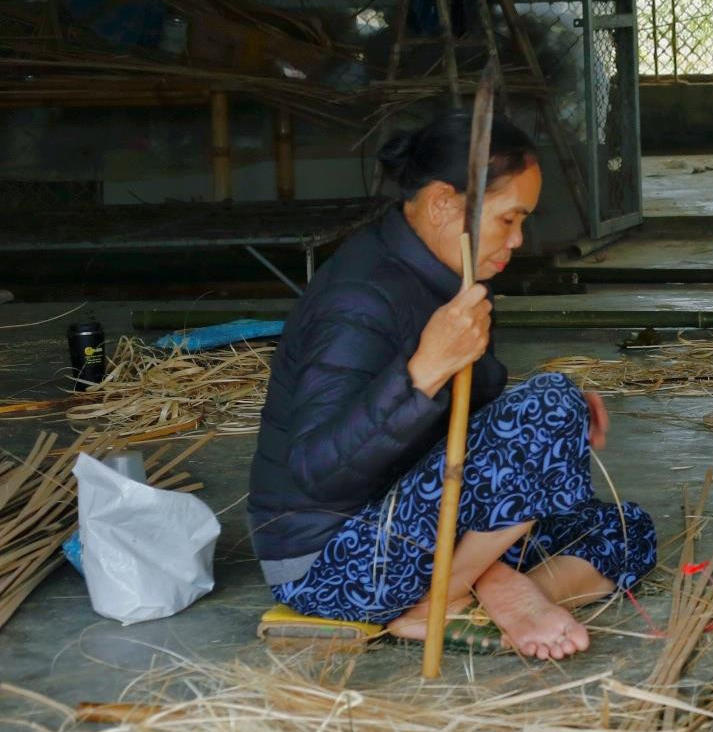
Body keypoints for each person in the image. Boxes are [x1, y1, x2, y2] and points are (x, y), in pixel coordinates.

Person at [247, 110, 656, 658]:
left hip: (408, 529)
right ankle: (446, 595)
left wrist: (540, 432)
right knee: (549, 402)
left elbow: (464, 421)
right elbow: (317, 474)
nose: (517, 239)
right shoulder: (358, 300)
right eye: (508, 219)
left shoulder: (443, 275)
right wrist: (424, 370)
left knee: (626, 530)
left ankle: (506, 589)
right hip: (333, 563)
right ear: (444, 203)